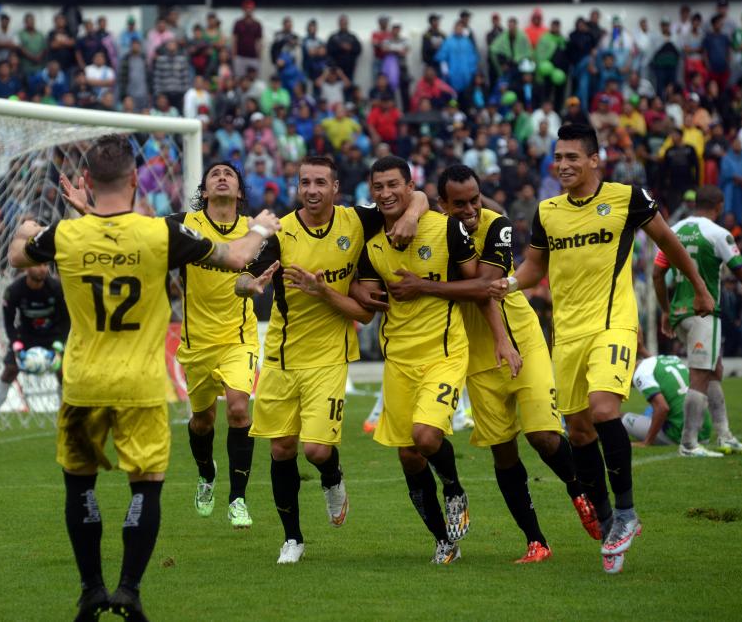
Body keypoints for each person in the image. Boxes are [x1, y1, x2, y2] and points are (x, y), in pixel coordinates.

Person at [11, 134, 281, 621]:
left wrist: (26, 226)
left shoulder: (65, 235)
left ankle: (92, 589)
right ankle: (129, 591)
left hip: (82, 383)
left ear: (89, 183)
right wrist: (260, 229)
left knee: (81, 486)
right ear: (136, 180)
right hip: (139, 384)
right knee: (146, 486)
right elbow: (239, 258)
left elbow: (18, 257)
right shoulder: (161, 233)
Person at [489, 124, 715, 574]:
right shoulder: (548, 211)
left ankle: (628, 512)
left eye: (573, 157)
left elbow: (667, 242)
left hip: (613, 323)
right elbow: (535, 268)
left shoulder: (628, 198)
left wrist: (700, 289)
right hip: (566, 334)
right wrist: (509, 282)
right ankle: (610, 520)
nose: (563, 165)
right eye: (558, 158)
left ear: (595, 159)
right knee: (578, 432)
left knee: (604, 409)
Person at [387, 164, 603, 563]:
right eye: (459, 204)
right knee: (503, 452)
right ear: (441, 203)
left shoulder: (497, 224)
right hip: (473, 355)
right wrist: (415, 209)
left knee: (542, 435)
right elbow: (406, 202)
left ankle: (580, 492)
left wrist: (424, 287)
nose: (470, 210)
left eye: (474, 200)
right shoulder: (432, 229)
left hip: (521, 340)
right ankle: (536, 541)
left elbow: (487, 286)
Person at [235, 156, 426, 564]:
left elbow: (419, 196)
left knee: (317, 451)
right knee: (282, 448)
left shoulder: (356, 221)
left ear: (336, 188)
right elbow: (241, 276)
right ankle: (293, 539)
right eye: (305, 182)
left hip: (329, 355)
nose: (312, 189)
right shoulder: (280, 232)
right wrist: (251, 285)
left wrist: (412, 213)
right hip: (283, 356)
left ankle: (333, 478)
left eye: (320, 182)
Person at [353, 157, 520, 565]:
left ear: (411, 187)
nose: (387, 193)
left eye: (395, 185)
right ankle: (444, 540)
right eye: (379, 187)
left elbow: (479, 285)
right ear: (371, 191)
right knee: (408, 454)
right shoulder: (369, 238)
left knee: (426, 437)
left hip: (444, 353)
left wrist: (501, 338)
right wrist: (356, 292)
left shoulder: (447, 228)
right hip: (398, 359)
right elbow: (368, 296)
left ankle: (455, 487)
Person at [169, 162, 271, 529]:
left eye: (229, 173)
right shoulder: (184, 225)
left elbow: (248, 277)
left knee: (240, 411)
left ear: (240, 192)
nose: (222, 177)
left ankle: (238, 499)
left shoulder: (253, 230)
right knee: (202, 420)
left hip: (238, 338)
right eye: (215, 174)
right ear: (205, 190)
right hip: (197, 342)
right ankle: (205, 474)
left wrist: (249, 285)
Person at [652, 185, 742, 458]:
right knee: (698, 376)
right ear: (718, 206)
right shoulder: (719, 234)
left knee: (713, 370)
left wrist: (664, 309)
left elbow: (657, 274)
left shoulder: (673, 230)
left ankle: (724, 435)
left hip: (680, 313)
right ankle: (689, 443)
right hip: (704, 313)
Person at [0, 263, 68, 432]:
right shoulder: (14, 290)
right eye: (38, 265)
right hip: (26, 336)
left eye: (44, 265)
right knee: (10, 370)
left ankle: (65, 421)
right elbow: (9, 321)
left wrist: (59, 344)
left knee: (63, 372)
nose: (42, 269)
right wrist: (16, 343)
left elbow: (66, 319)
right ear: (27, 268)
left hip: (53, 336)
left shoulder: (56, 288)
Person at [627, 353, 712, 447]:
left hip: (680, 434)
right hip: (704, 432)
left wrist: (647, 442)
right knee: (651, 409)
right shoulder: (672, 359)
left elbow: (662, 408)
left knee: (618, 416)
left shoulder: (640, 374)